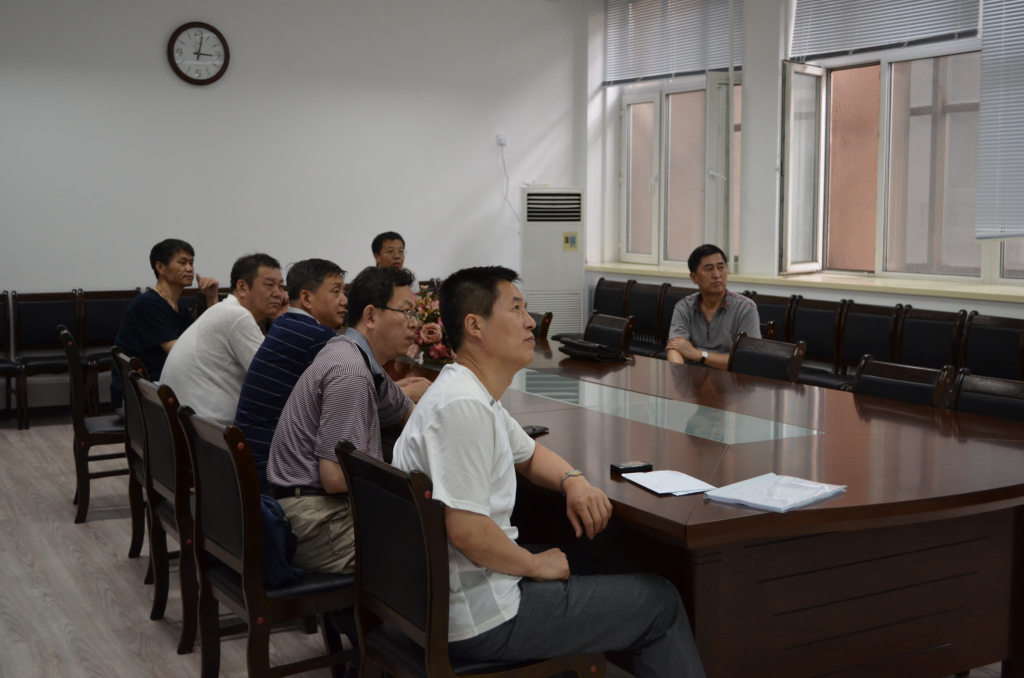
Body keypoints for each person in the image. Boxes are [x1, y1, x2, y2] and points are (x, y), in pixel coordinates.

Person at [392, 266, 706, 678]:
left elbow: (530, 454)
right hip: (480, 617)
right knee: (660, 602)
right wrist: (535, 566)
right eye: (516, 309)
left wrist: (573, 481)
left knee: (586, 562)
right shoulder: (463, 407)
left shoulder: (463, 389)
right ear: (475, 326)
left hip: (442, 596)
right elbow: (467, 531)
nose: (530, 322)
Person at [266, 266, 430, 574]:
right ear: (370, 316)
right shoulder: (350, 372)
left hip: (321, 509)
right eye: (407, 312)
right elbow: (335, 477)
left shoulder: (353, 352)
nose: (415, 324)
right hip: (317, 522)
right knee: (435, 548)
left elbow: (410, 413)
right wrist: (407, 482)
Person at [235, 259, 349, 488]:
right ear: (306, 298)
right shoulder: (316, 336)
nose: (345, 300)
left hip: (248, 461)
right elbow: (358, 388)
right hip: (272, 472)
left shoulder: (286, 323)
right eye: (336, 291)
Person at [161, 253, 283, 425]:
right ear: (242, 287)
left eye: (281, 287)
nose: (278, 294)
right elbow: (273, 379)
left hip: (186, 422)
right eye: (269, 285)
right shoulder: (237, 316)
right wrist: (287, 320)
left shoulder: (225, 310)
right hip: (206, 430)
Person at [110, 239, 219, 412]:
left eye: (191, 263)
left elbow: (208, 335)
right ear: (160, 267)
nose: (189, 268)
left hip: (161, 387)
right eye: (182, 262)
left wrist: (211, 297)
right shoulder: (147, 304)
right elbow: (179, 352)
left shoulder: (178, 308)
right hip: (138, 395)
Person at [666, 244, 760, 370]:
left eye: (721, 267)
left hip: (731, 379)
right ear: (694, 277)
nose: (717, 274)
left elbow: (747, 361)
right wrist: (680, 376)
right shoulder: (684, 307)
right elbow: (674, 348)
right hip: (692, 376)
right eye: (709, 269)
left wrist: (697, 354)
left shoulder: (745, 308)